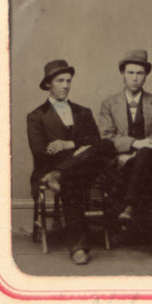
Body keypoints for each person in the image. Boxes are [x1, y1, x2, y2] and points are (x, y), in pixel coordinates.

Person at [27, 59, 115, 265]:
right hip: (53, 168)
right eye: (60, 80)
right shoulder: (36, 116)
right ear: (49, 83)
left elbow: (95, 142)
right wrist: (79, 150)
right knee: (73, 181)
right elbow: (40, 151)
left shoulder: (83, 112)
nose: (66, 85)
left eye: (68, 80)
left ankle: (59, 174)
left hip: (73, 169)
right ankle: (78, 247)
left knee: (107, 145)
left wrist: (69, 144)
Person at [98, 49, 152, 260]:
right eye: (130, 73)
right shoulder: (109, 104)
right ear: (122, 74)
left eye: (139, 73)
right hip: (120, 161)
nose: (134, 78)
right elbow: (106, 136)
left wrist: (143, 150)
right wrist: (133, 145)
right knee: (145, 176)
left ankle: (130, 207)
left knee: (146, 161)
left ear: (146, 76)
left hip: (151, 160)